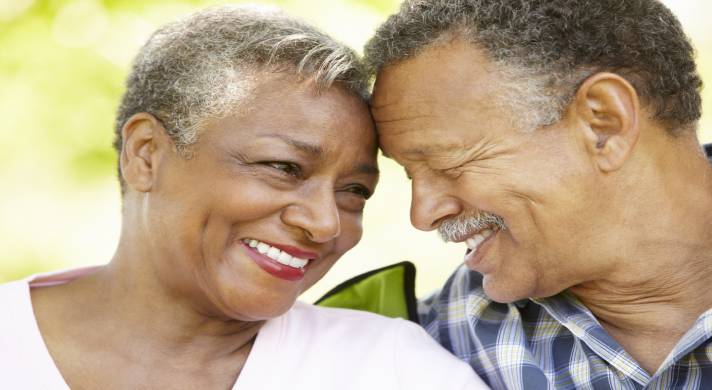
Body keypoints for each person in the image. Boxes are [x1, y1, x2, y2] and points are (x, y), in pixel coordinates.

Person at [0, 6, 487, 389]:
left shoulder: (395, 370)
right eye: (283, 168)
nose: (324, 224)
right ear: (146, 155)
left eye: (354, 192)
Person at [366, 0, 712, 388]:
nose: (422, 214)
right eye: (410, 173)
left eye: (448, 164)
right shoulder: (413, 353)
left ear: (604, 124)